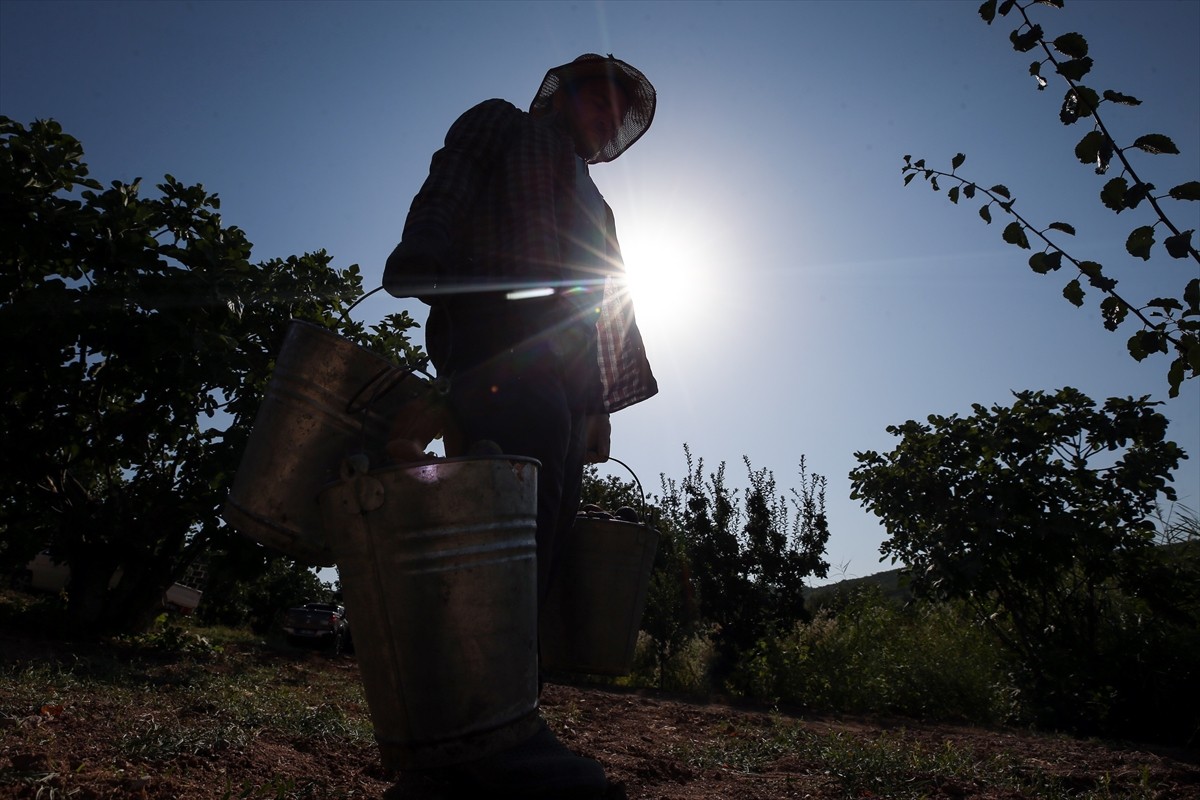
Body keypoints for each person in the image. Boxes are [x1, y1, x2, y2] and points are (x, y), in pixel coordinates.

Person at [383, 54, 658, 798]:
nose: (602, 121)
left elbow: (608, 296)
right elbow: (452, 177)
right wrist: (425, 246)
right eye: (594, 104)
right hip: (492, 330)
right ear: (560, 97)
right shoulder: (502, 123)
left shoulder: (597, 204)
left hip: (565, 372)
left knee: (542, 533)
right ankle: (481, 741)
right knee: (510, 512)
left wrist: (600, 404)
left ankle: (491, 722)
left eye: (613, 116)